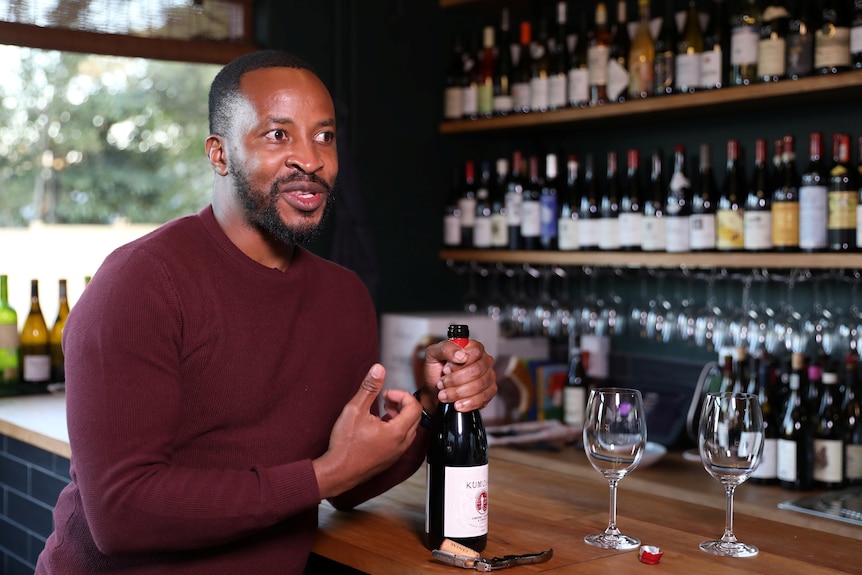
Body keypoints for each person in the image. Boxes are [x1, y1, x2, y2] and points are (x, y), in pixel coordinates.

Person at [35, 49, 496, 575]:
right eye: (279, 135)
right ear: (219, 154)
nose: (311, 159)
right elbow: (121, 515)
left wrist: (434, 399)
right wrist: (324, 476)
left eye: (324, 135)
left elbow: (349, 479)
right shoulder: (140, 282)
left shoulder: (343, 297)